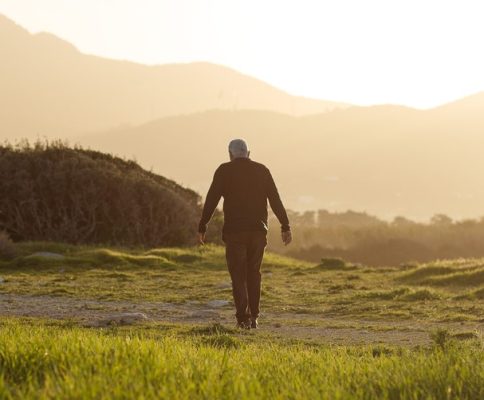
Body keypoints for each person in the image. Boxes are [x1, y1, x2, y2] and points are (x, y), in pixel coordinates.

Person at [198, 139, 292, 329]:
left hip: (235, 232)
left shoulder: (224, 170)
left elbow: (211, 200)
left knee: (238, 275)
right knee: (253, 273)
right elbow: (275, 200)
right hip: (258, 231)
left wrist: (202, 226)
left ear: (230, 154)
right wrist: (285, 225)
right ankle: (254, 317)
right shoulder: (262, 170)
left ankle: (243, 318)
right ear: (248, 153)